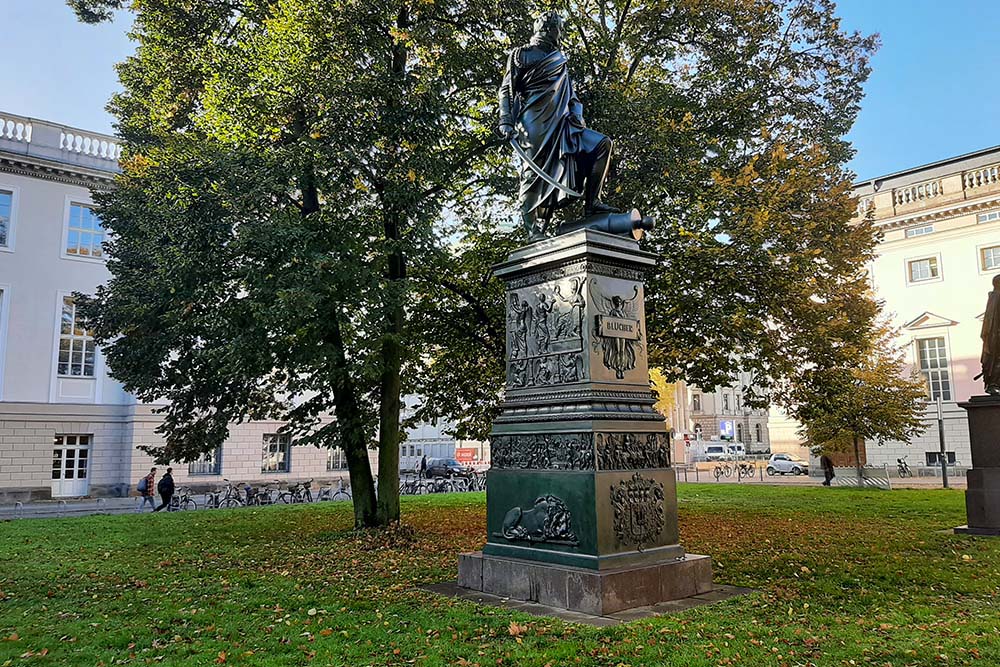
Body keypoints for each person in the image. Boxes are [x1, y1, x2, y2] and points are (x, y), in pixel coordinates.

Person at [498, 11, 618, 240]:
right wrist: (505, 120)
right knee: (533, 174)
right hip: (534, 122)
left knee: (602, 144)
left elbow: (572, 96)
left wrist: (577, 114)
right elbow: (506, 89)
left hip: (565, 125)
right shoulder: (521, 55)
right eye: (559, 29)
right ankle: (532, 229)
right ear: (549, 29)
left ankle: (592, 202)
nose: (561, 34)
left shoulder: (559, 60)